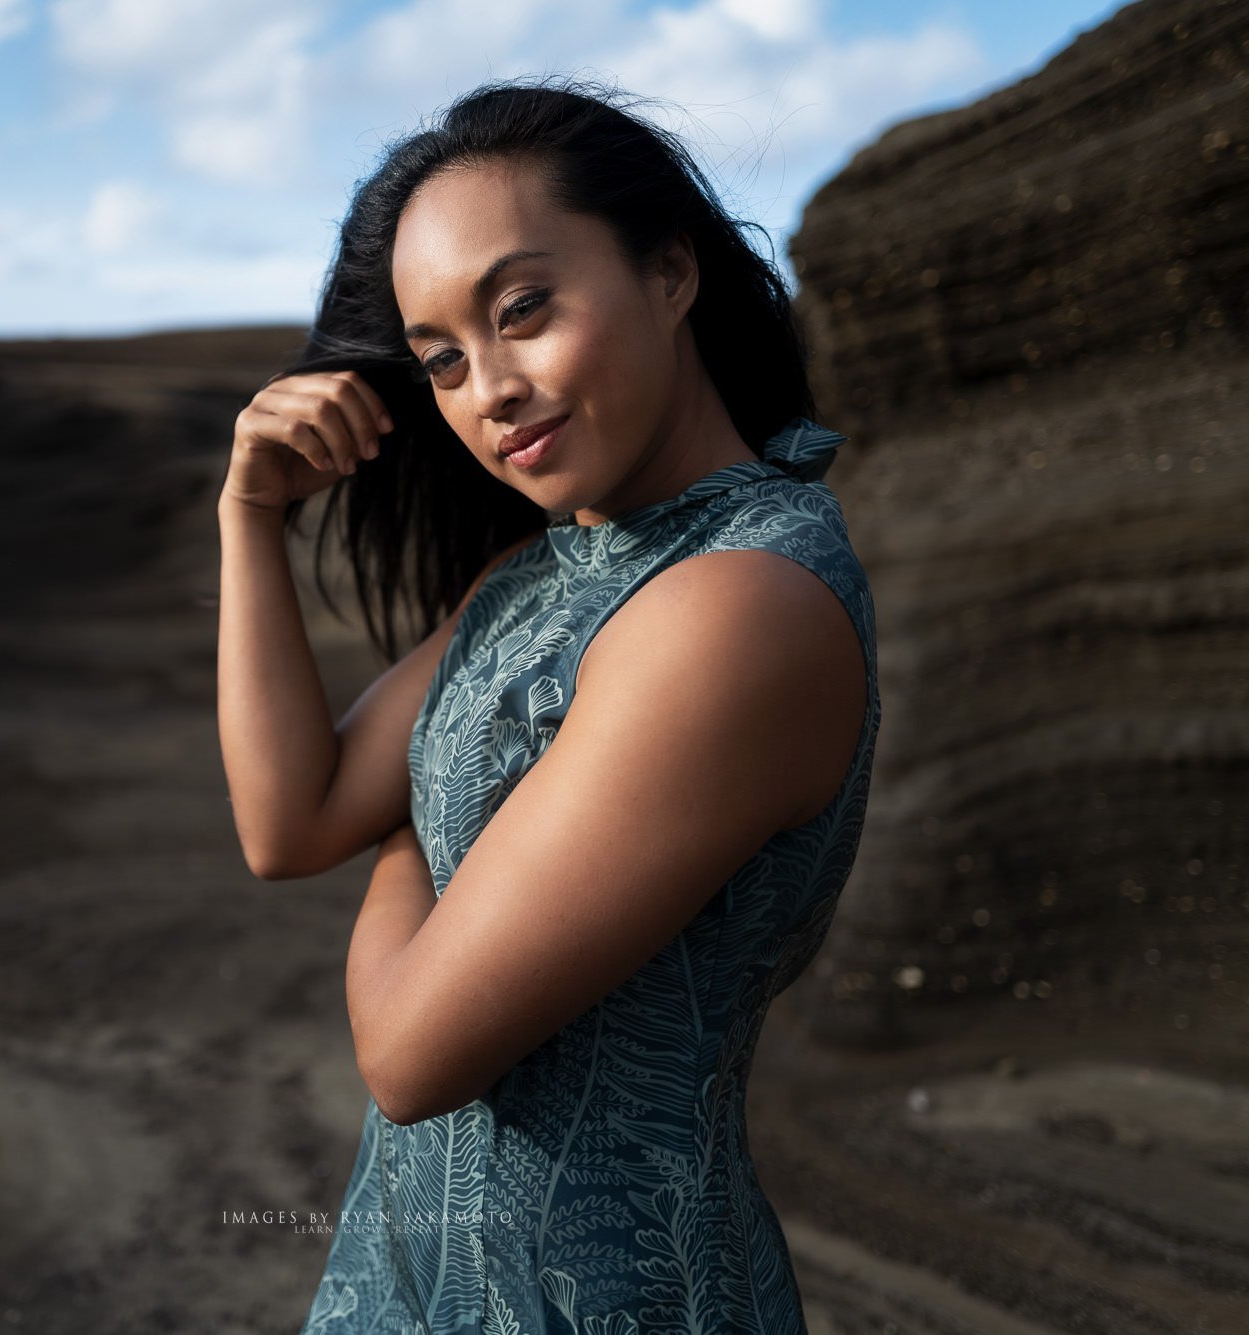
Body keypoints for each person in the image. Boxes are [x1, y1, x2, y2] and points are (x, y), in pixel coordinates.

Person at [215, 75, 880, 1335]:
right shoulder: (544, 575)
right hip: (414, 1279)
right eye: (442, 361)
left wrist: (413, 822)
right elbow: (287, 824)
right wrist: (248, 524)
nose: (489, 389)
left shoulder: (737, 603)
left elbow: (410, 1056)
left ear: (670, 273)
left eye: (523, 310)